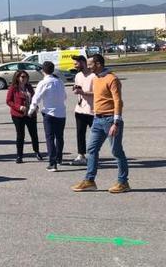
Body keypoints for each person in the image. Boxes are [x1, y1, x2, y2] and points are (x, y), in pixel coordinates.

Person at [72, 54, 130, 193]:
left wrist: (116, 122)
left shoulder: (112, 79)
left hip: (111, 120)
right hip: (97, 119)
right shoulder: (96, 78)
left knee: (116, 151)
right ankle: (90, 180)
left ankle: (123, 182)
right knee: (91, 149)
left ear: (98, 64)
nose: (88, 66)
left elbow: (118, 101)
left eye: (90, 64)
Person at [29, 61, 67, 171]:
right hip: (61, 113)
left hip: (49, 113)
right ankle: (59, 158)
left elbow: (36, 98)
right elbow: (64, 97)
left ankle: (52, 162)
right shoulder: (59, 81)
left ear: (43, 71)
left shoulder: (43, 83)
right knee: (59, 137)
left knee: (50, 138)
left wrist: (31, 110)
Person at [5, 70, 43, 163]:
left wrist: (36, 107)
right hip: (18, 115)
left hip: (30, 114)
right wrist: (19, 107)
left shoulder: (29, 87)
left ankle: (37, 152)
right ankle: (19, 155)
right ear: (17, 78)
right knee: (20, 135)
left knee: (34, 134)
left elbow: (34, 99)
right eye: (22, 77)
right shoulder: (13, 88)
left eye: (25, 77)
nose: (24, 78)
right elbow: (8, 101)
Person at [70, 55, 95, 166]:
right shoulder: (78, 75)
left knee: (95, 135)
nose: (74, 65)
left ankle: (94, 156)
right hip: (80, 110)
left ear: (83, 63)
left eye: (76, 63)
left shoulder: (94, 76)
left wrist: (83, 92)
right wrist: (76, 88)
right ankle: (81, 155)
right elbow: (78, 88)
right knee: (80, 133)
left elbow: (98, 93)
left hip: (92, 110)